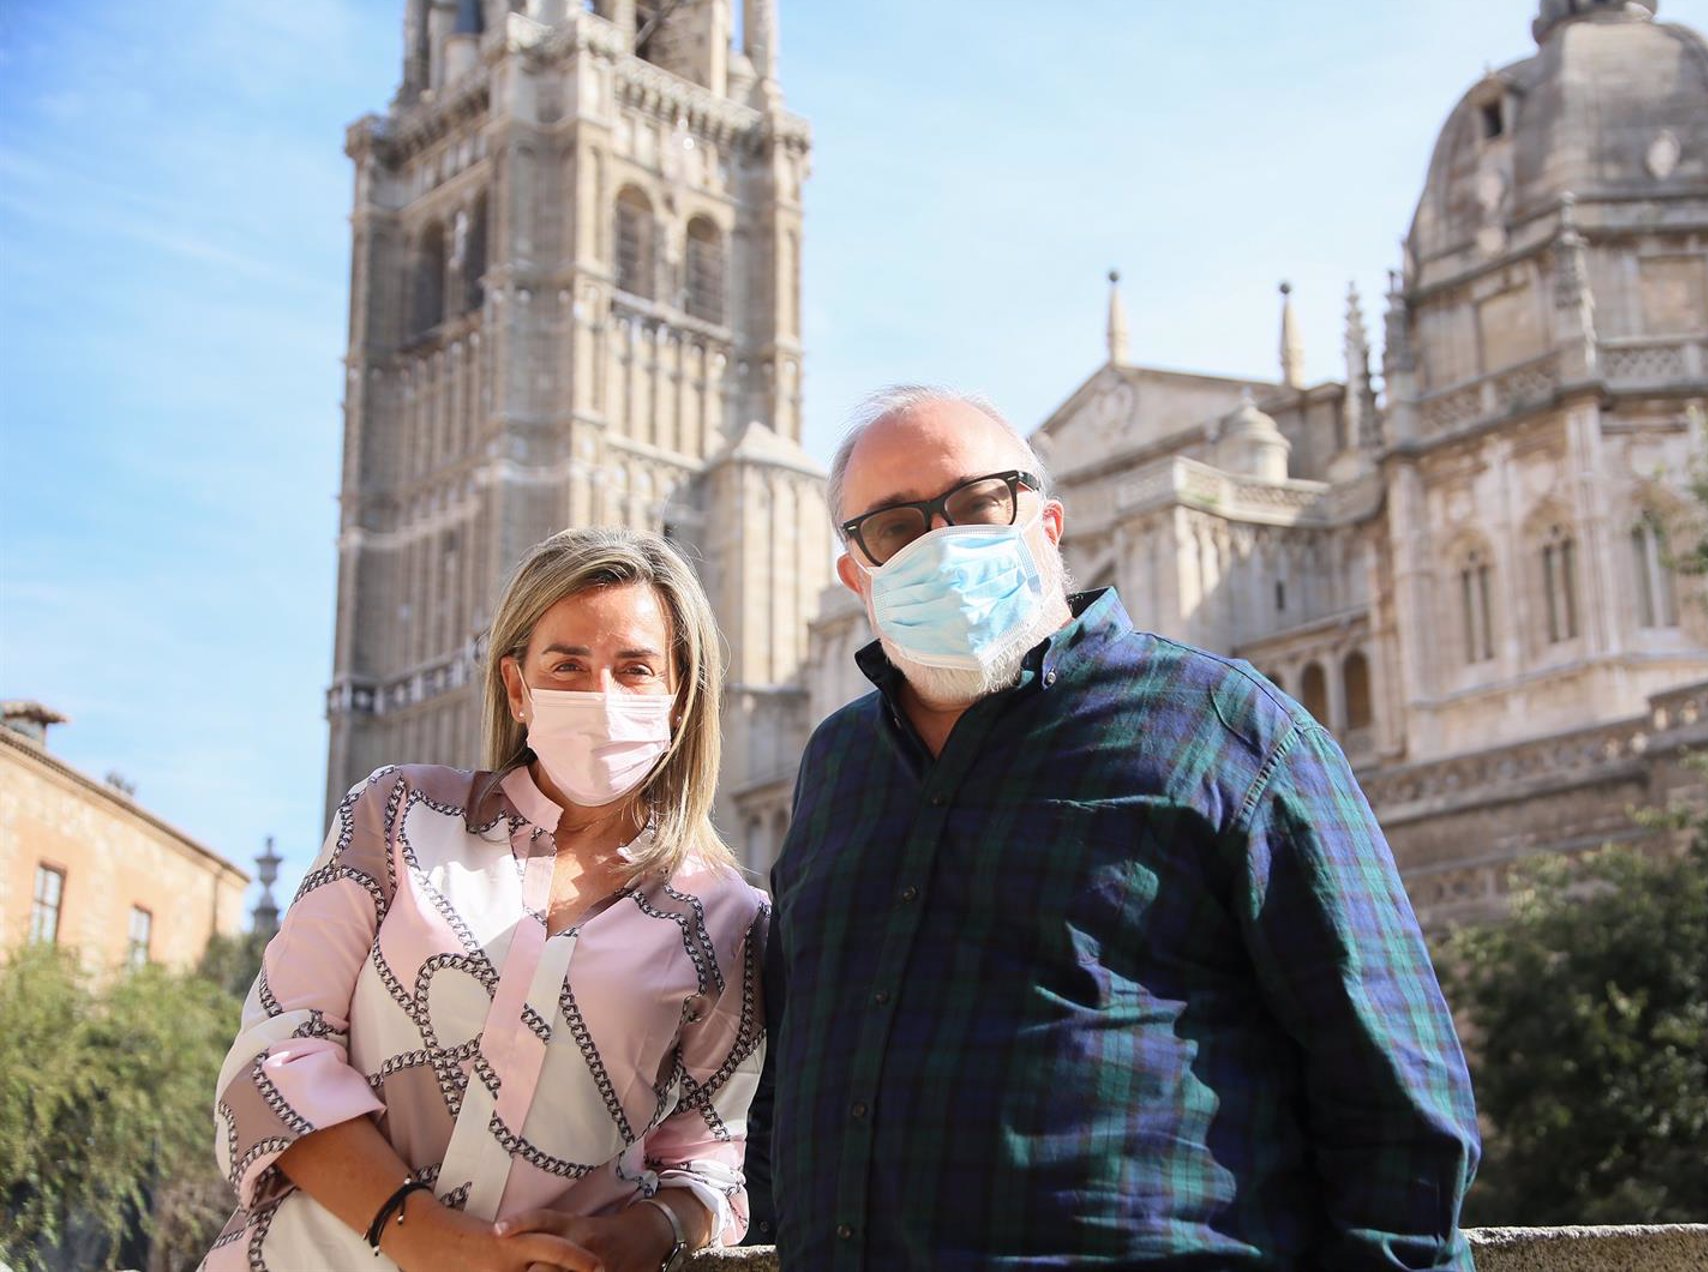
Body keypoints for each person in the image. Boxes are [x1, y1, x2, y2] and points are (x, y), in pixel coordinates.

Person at [746, 386, 1480, 1269]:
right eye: (897, 527)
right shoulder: (836, 767)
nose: (943, 544)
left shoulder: (1228, 727)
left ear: (1047, 526)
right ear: (857, 574)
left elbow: (1394, 1096)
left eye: (979, 504)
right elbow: (788, 1070)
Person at [206, 527, 767, 1272]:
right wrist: (424, 1236)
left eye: (635, 669)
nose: (601, 694)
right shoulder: (396, 816)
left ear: (678, 697)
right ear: (516, 687)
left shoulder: (727, 920)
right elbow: (275, 1058)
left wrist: (645, 1234)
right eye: (568, 665)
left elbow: (710, 1162)